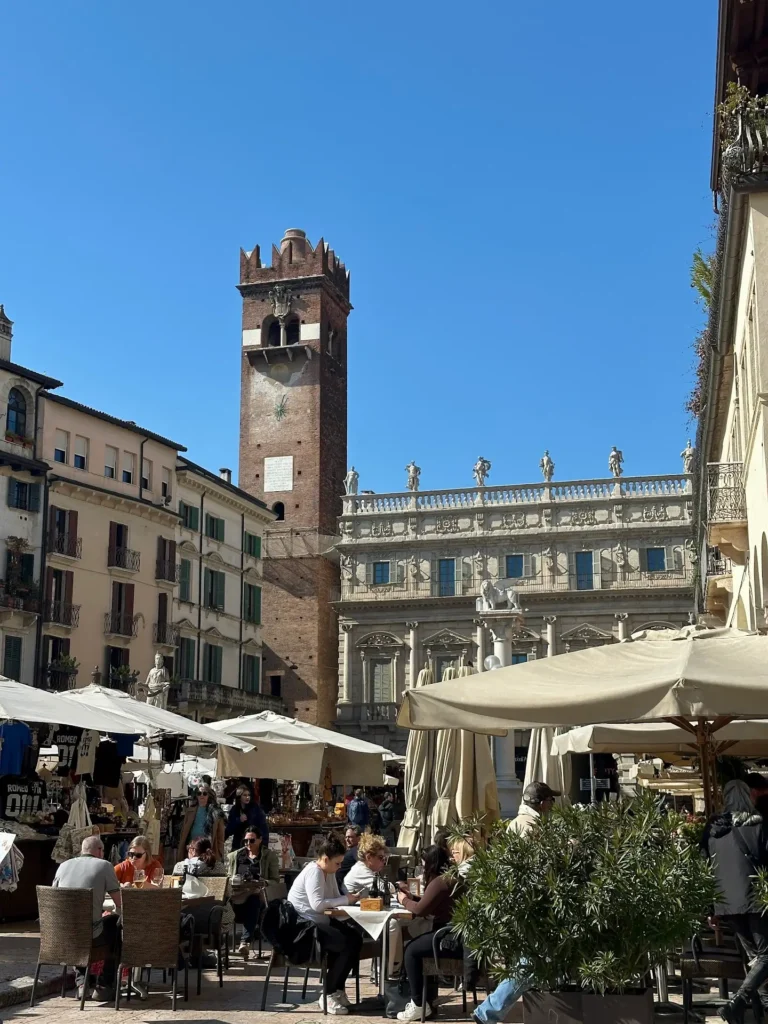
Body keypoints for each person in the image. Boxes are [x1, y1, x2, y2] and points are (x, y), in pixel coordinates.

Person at [475, 782, 559, 1024]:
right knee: (530, 963)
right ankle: (488, 1011)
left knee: (535, 961)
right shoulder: (531, 827)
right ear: (542, 803)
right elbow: (539, 866)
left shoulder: (519, 823)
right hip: (533, 903)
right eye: (551, 801)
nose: (553, 806)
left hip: (524, 903)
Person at [288, 834, 363, 1015]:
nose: (339, 867)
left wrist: (347, 898)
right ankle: (327, 993)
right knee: (343, 942)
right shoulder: (314, 871)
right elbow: (318, 904)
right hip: (303, 930)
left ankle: (337, 989)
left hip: (318, 923)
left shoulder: (328, 872)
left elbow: (335, 898)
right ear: (325, 859)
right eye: (337, 863)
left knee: (355, 938)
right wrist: (346, 899)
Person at [53, 835, 122, 1002]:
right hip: (91, 936)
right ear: (99, 850)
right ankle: (105, 986)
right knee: (116, 924)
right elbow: (121, 902)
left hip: (63, 934)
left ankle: (82, 983)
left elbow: (53, 899)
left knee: (78, 923)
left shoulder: (63, 866)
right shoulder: (105, 865)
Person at [395, 844, 456, 1021]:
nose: (422, 867)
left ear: (431, 864)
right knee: (417, 947)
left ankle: (418, 1004)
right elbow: (428, 902)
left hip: (446, 935)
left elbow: (420, 911)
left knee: (411, 951)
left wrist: (404, 900)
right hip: (450, 932)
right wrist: (412, 898)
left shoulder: (439, 882)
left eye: (423, 863)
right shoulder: (447, 878)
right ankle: (427, 1000)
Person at [226, 827, 280, 959]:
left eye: (251, 840)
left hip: (257, 897)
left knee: (254, 900)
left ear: (260, 840)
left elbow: (275, 880)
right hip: (236, 896)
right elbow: (227, 877)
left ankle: (245, 941)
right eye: (245, 841)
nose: (248, 844)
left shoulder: (268, 856)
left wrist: (263, 882)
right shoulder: (235, 856)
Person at [177, 784, 225, 862]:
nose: (201, 795)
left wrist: (220, 853)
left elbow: (220, 837)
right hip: (192, 848)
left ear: (209, 795)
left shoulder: (216, 812)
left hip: (208, 848)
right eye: (199, 793)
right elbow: (184, 833)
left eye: (204, 793)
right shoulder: (190, 811)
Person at [225, 784, 269, 850]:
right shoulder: (235, 810)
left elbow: (264, 828)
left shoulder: (256, 809)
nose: (247, 797)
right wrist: (239, 820)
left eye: (248, 795)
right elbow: (229, 829)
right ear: (239, 797)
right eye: (245, 795)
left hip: (252, 844)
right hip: (238, 845)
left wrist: (264, 846)